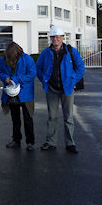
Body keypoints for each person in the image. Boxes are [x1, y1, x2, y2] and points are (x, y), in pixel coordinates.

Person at [36, 26, 85, 154]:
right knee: (52, 117)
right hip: (51, 89)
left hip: (67, 89)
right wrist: (44, 80)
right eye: (53, 36)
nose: (55, 39)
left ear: (63, 37)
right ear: (50, 38)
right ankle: (51, 142)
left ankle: (70, 143)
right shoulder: (46, 53)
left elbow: (80, 68)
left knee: (68, 117)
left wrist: (73, 81)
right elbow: (39, 68)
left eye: (58, 36)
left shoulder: (71, 51)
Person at [0, 42, 37, 151]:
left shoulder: (27, 59)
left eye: (12, 57)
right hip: (11, 93)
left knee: (28, 118)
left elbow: (32, 74)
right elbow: (1, 73)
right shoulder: (3, 59)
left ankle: (30, 142)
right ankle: (16, 140)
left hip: (26, 93)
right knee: (15, 119)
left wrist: (16, 79)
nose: (10, 59)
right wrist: (5, 78)